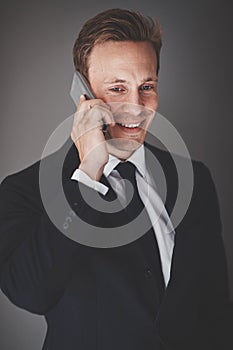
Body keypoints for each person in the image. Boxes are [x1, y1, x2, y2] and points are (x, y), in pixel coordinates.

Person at [0, 8, 230, 350]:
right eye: (117, 88)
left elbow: (214, 310)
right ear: (83, 94)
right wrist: (88, 172)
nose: (136, 106)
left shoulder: (194, 180)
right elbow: (31, 292)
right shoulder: (25, 191)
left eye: (146, 86)